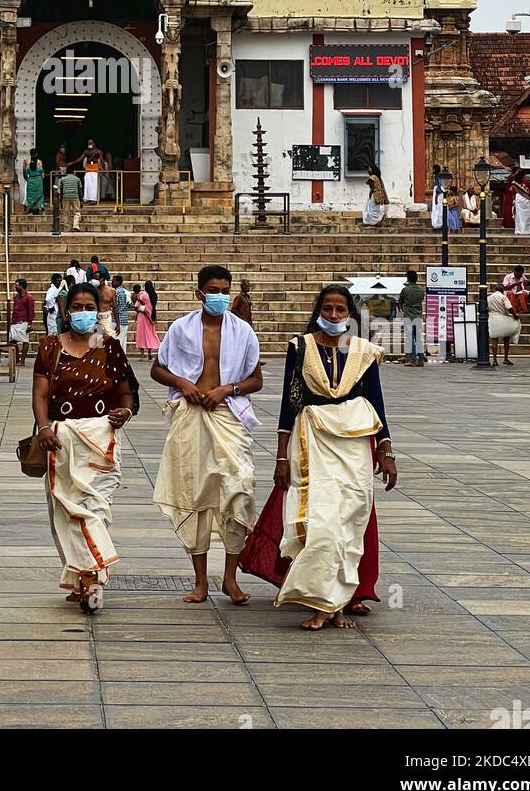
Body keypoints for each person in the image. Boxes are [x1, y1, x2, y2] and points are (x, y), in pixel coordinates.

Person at [272, 285, 396, 629]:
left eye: (340, 310)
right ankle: (322, 598)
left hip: (355, 446)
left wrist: (387, 452)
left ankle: (338, 603)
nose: (333, 316)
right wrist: (281, 458)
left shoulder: (363, 352)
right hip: (312, 441)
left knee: (349, 523)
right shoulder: (300, 347)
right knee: (319, 522)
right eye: (327, 309)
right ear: (318, 311)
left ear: (350, 316)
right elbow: (288, 404)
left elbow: (377, 402)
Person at [152, 264, 263, 605]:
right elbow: (157, 369)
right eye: (213, 290)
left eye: (224, 290)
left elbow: (255, 379)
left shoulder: (242, 330)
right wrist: (182, 383)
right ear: (199, 293)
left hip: (228, 416)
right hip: (191, 417)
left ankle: (230, 577)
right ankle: (200, 581)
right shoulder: (181, 329)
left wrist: (226, 390)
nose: (219, 296)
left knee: (239, 489)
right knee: (194, 496)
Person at [32, 282, 137, 613]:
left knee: (94, 509)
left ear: (98, 310)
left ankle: (92, 576)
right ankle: (84, 578)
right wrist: (44, 426)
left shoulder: (108, 347)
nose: (82, 313)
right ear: (66, 312)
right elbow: (40, 394)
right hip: (61, 439)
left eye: (87, 306)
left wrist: (126, 411)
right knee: (64, 512)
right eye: (76, 307)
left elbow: (125, 393)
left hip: (100, 438)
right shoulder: (50, 347)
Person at [398, 269, 425, 366]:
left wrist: (403, 307)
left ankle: (413, 359)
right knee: (418, 338)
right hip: (418, 316)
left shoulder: (405, 290)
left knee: (410, 338)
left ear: (408, 279)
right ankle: (421, 358)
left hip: (409, 316)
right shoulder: (421, 290)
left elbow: (400, 301)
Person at [488, 285, 520, 365]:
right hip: (503, 319)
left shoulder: (489, 298)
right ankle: (505, 358)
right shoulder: (503, 297)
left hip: (493, 319)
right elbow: (509, 308)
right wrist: (515, 316)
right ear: (502, 290)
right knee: (506, 339)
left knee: (494, 340)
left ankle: (494, 360)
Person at [9, 278, 35, 365]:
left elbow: (31, 311)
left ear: (22, 286)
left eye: (17, 285)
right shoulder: (16, 297)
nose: (15, 287)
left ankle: (22, 361)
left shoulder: (29, 298)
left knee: (25, 341)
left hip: (23, 321)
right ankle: (16, 360)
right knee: (12, 341)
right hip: (15, 321)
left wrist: (30, 324)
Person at [133, 283, 160, 358]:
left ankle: (142, 355)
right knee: (150, 334)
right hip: (151, 316)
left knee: (141, 334)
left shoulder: (143, 294)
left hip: (142, 316)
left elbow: (136, 305)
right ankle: (149, 352)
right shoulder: (154, 295)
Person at [58, 167, 82, 232]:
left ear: (66, 173)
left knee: (66, 213)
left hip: (65, 197)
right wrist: (81, 200)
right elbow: (80, 190)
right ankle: (76, 226)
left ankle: (67, 228)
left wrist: (60, 202)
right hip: (75, 197)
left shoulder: (63, 179)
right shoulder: (77, 179)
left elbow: (61, 191)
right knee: (77, 212)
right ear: (73, 173)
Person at [23, 148, 46, 214]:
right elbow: (43, 175)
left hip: (30, 180)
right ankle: (40, 207)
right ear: (37, 154)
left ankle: (29, 207)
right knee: (39, 194)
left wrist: (28, 179)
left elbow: (24, 173)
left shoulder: (26, 161)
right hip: (38, 181)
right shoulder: (39, 162)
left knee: (30, 195)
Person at [114, 274, 132, 352]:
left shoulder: (117, 292)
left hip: (119, 319)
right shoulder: (125, 292)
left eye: (113, 281)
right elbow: (130, 304)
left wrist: (117, 323)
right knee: (123, 339)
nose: (112, 283)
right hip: (124, 318)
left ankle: (118, 358)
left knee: (118, 340)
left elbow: (116, 307)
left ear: (118, 282)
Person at [513, 172, 530, 236]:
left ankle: (519, 230)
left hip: (518, 198)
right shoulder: (527, 181)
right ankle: (527, 230)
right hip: (526, 199)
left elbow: (511, 190)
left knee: (519, 216)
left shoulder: (514, 183)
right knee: (527, 216)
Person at [44, 273, 63, 337]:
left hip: (56, 313)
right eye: (58, 281)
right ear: (53, 281)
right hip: (53, 313)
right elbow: (48, 299)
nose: (59, 282)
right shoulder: (52, 289)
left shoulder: (57, 289)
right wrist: (51, 307)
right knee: (52, 332)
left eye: (60, 280)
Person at [501, 165, 519, 230]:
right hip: (512, 192)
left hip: (509, 192)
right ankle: (510, 223)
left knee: (508, 207)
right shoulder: (514, 176)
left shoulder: (510, 176)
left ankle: (507, 223)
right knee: (511, 207)